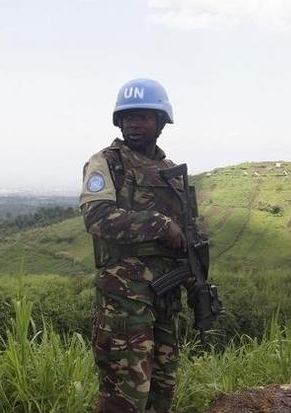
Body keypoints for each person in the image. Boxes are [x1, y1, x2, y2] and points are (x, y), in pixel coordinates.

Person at [79, 78, 188, 413]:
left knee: (162, 390)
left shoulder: (171, 172)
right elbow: (97, 217)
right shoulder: (107, 162)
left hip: (165, 297)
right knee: (125, 395)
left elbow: (186, 234)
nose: (135, 124)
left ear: (160, 122)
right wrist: (158, 223)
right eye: (128, 118)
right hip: (124, 299)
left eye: (143, 117)